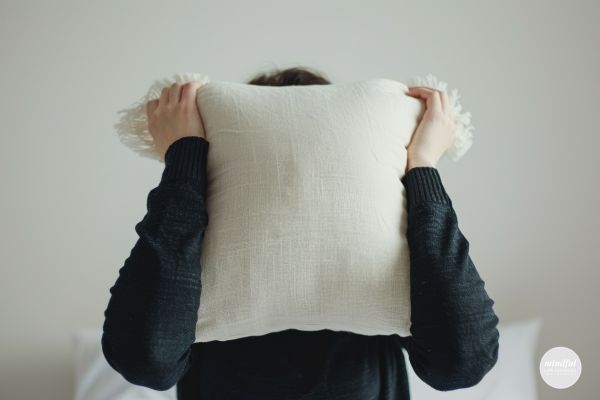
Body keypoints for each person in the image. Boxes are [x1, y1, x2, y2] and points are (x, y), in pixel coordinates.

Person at [101, 66, 499, 400]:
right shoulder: (195, 272)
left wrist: (422, 167)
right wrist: (185, 158)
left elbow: (463, 361)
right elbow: (146, 357)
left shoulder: (383, 271)